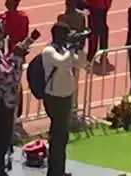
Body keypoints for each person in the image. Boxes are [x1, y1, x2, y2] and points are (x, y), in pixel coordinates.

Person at [0, 24, 33, 176]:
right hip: (0, 102)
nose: (1, 40)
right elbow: (5, 76)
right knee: (1, 136)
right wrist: (17, 58)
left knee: (4, 136)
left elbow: (6, 65)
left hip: (6, 100)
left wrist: (19, 52)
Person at [42, 22, 87, 176]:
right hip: (54, 97)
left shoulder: (64, 50)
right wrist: (72, 47)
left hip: (66, 95)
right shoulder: (49, 51)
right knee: (58, 135)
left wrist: (79, 48)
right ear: (58, 35)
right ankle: (55, 171)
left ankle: (58, 169)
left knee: (62, 135)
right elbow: (62, 63)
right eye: (66, 35)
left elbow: (80, 64)